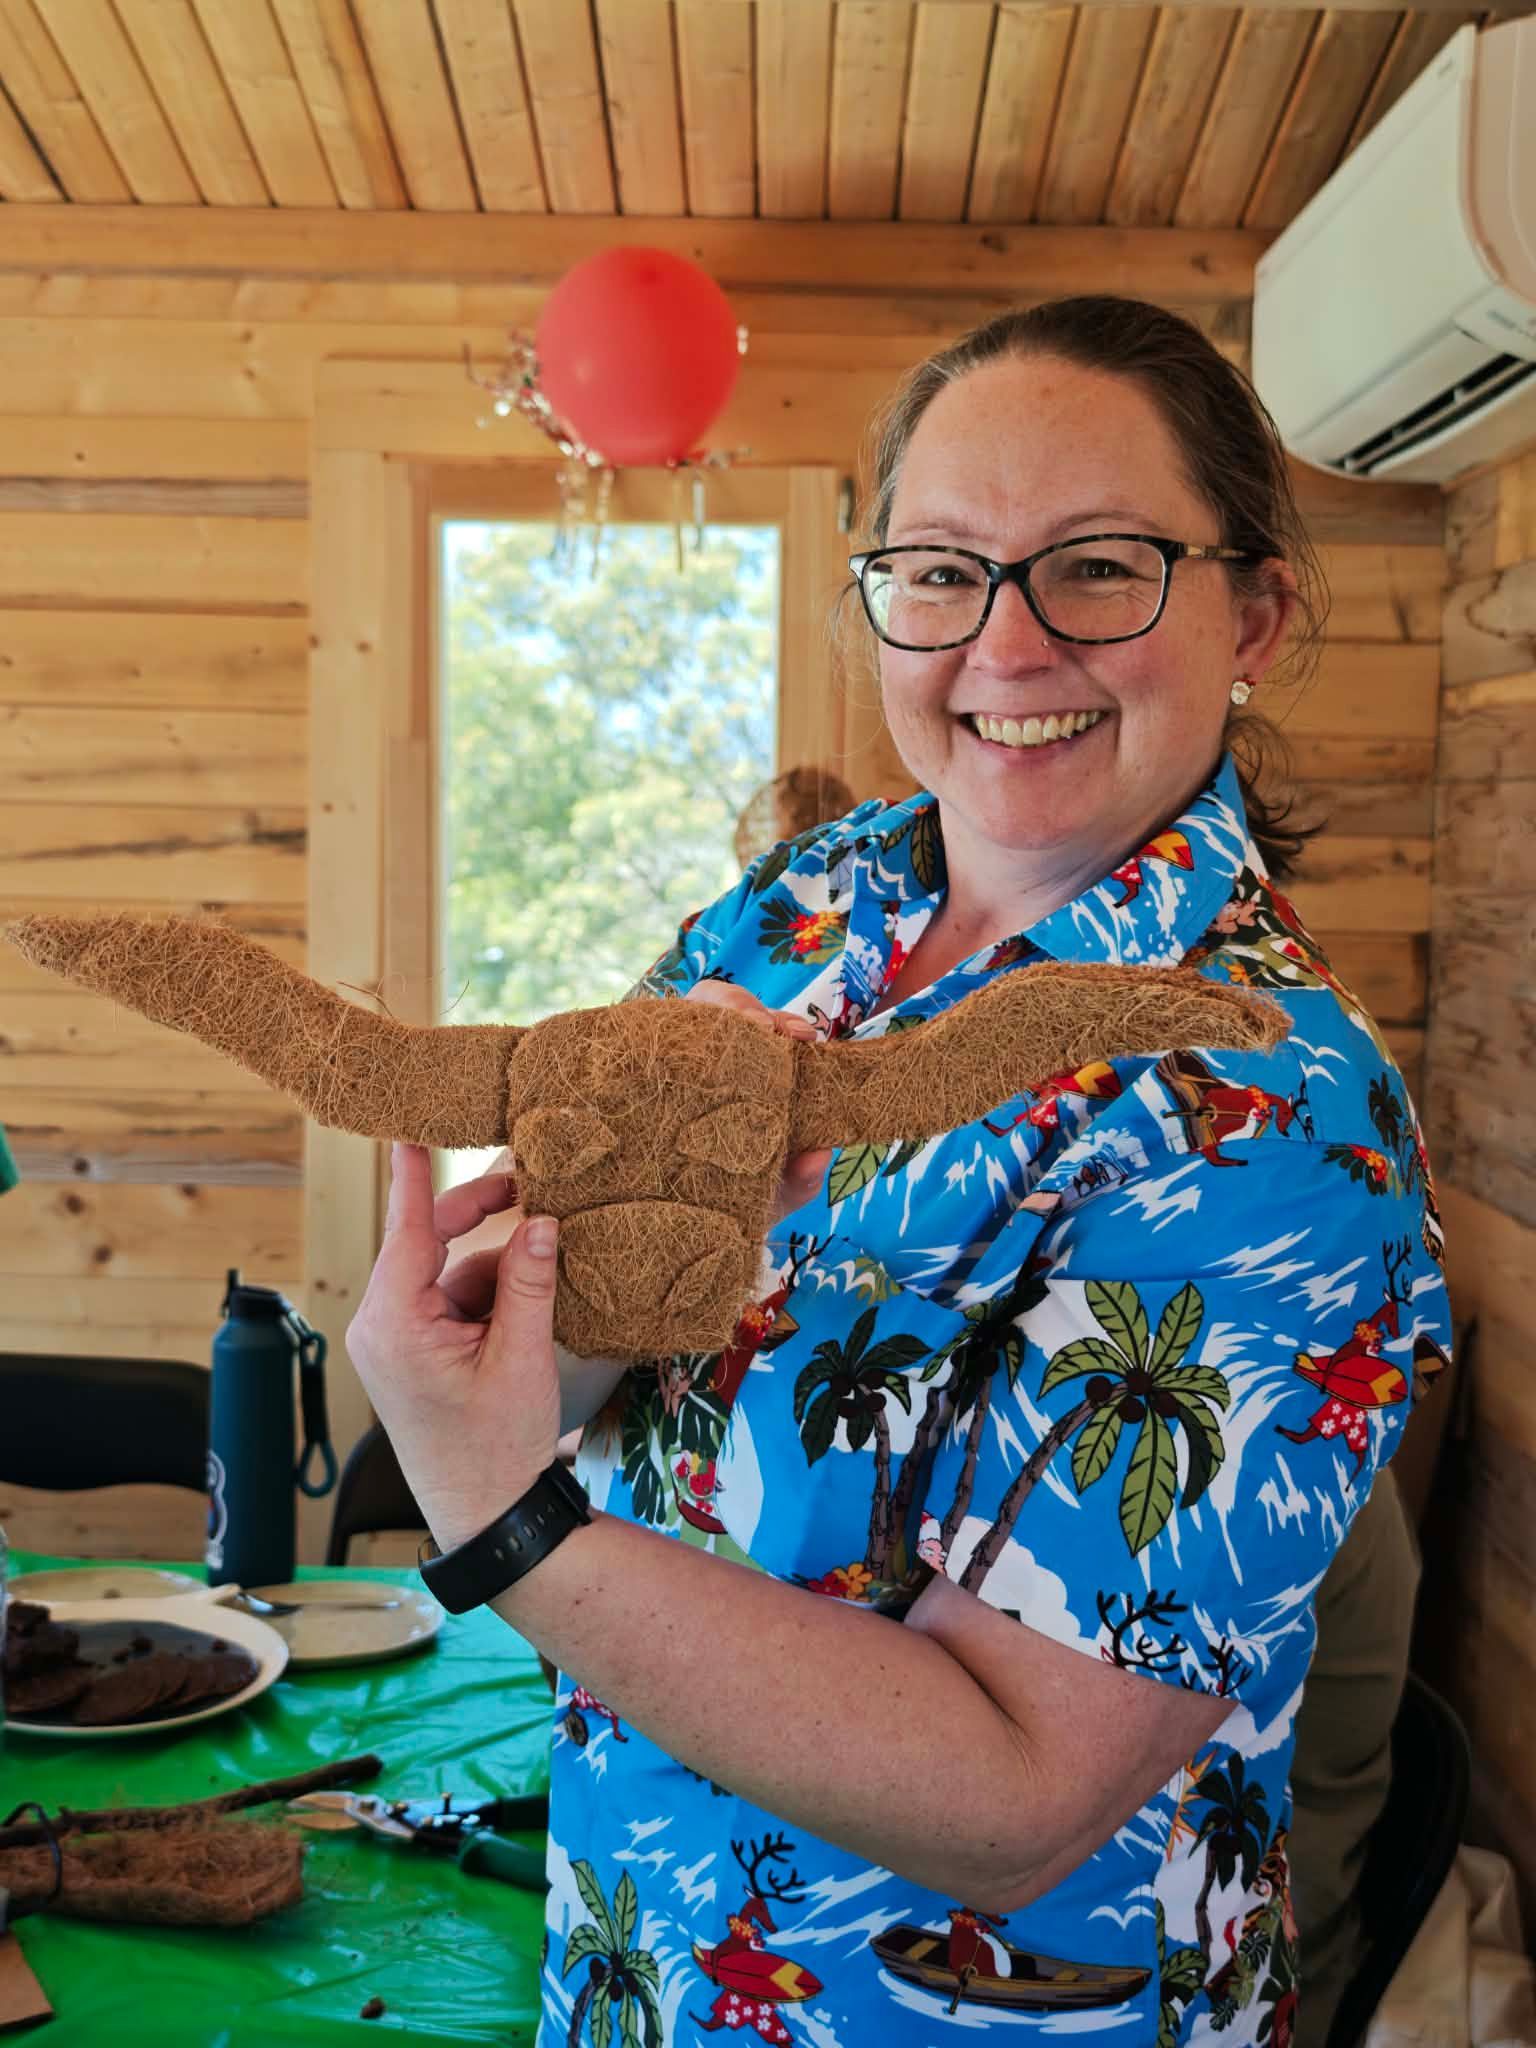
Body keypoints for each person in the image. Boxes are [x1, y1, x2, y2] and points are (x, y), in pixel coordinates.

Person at [348, 297, 1452, 2047]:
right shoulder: (804, 909)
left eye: (1098, 567)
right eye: (939, 571)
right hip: (638, 1955)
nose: (1001, 647)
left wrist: (504, 1521)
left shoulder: (1272, 1109)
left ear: (1254, 613)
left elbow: (1017, 1785)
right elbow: (607, 1344)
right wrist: (507, 1327)